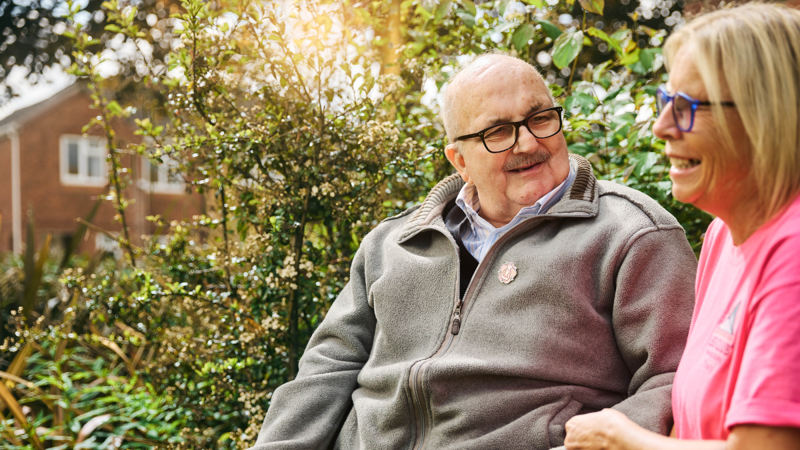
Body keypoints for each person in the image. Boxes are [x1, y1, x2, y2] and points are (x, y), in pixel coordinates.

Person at [250, 53, 698, 450]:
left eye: (540, 118)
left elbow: (676, 377)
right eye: (498, 131)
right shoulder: (393, 244)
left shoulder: (630, 232)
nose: (527, 143)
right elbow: (326, 370)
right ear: (459, 159)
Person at [563, 4, 800, 450]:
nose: (661, 127)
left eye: (688, 106)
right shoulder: (723, 235)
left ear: (766, 117)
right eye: (666, 101)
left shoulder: (792, 253)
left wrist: (623, 438)